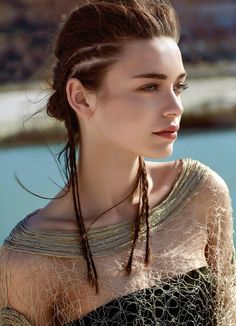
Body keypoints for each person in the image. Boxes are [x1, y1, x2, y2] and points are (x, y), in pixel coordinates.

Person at [0, 0, 235, 325]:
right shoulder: (31, 260)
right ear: (81, 98)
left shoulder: (202, 194)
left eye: (178, 86)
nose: (175, 107)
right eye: (149, 87)